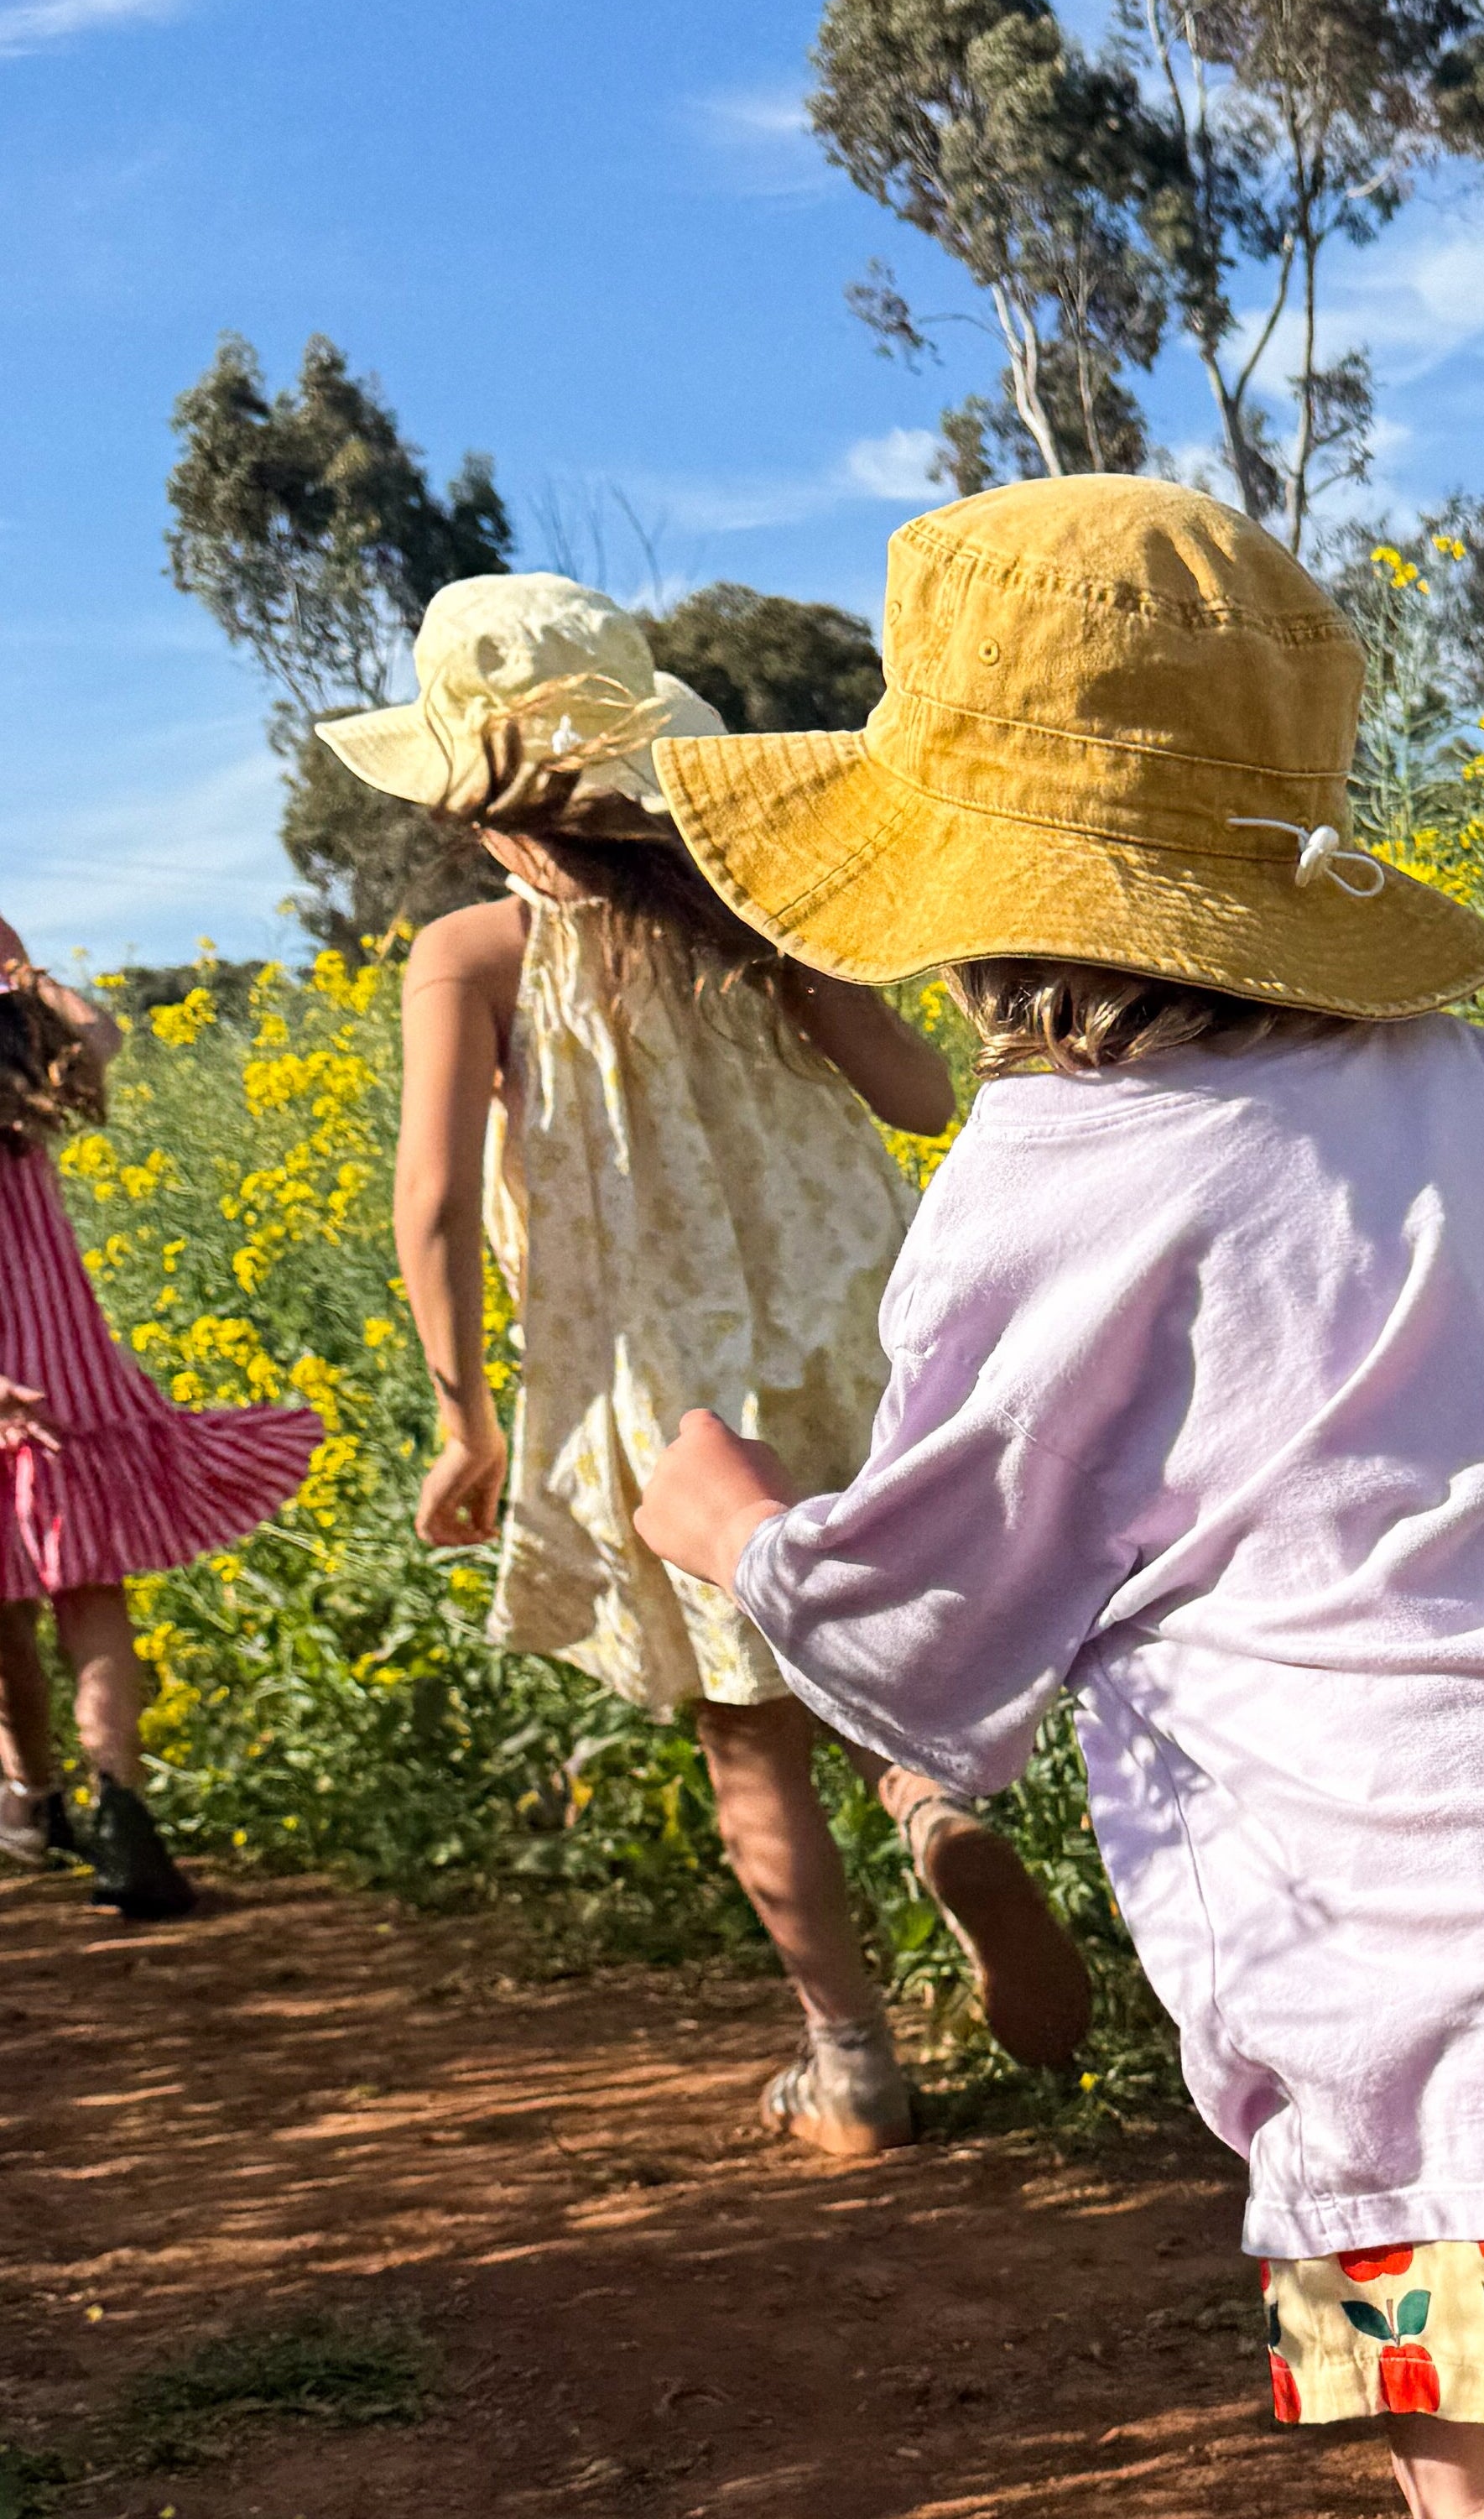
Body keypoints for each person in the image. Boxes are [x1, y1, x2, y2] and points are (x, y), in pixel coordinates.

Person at [633, 477, 1484, 2519]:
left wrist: (733, 1529)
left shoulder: (1050, 1184)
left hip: (1414, 1913)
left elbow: (933, 1624)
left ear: (963, 888)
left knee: (1478, 2447)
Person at [320, 573, 1089, 2157]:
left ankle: (849, 2060)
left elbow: (435, 1204)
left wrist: (465, 1417)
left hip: (656, 1388)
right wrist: (795, 958)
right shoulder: (750, 915)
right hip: (850, 1341)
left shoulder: (473, 956)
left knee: (746, 1734)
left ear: (474, 805)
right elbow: (922, 1097)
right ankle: (931, 1807)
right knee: (858, 1654)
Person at [0, 915, 324, 1917]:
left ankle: (27, 1799)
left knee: (6, 1599)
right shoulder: (23, 1095)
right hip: (72, 1382)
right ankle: (119, 1819)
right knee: (92, 1600)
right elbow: (103, 1036)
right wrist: (26, 972)